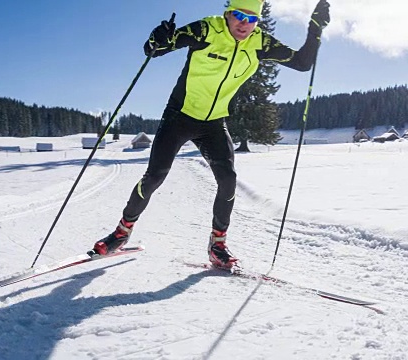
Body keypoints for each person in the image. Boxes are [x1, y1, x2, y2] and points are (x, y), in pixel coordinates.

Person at [92, 0, 330, 268]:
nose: (244, 23)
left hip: (214, 122)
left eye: (251, 19)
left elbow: (302, 63)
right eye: (239, 15)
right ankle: (122, 232)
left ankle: (217, 245)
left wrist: (314, 29)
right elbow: (155, 49)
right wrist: (157, 37)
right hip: (180, 115)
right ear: (227, 14)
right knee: (155, 176)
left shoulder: (259, 43)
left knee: (228, 179)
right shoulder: (206, 30)